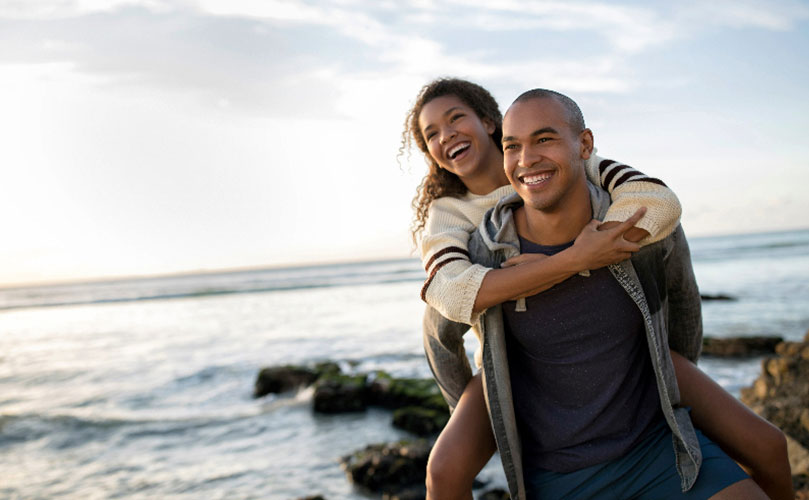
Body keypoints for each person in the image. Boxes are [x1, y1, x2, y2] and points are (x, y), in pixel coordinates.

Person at [404, 79, 793, 499]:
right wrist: (481, 405)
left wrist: (670, 362)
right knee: (443, 470)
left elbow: (667, 234)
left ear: (488, 123)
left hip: (630, 355)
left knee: (767, 445)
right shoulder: (456, 222)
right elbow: (444, 307)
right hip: (512, 357)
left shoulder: (579, 169)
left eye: (455, 118)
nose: (446, 135)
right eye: (431, 134)